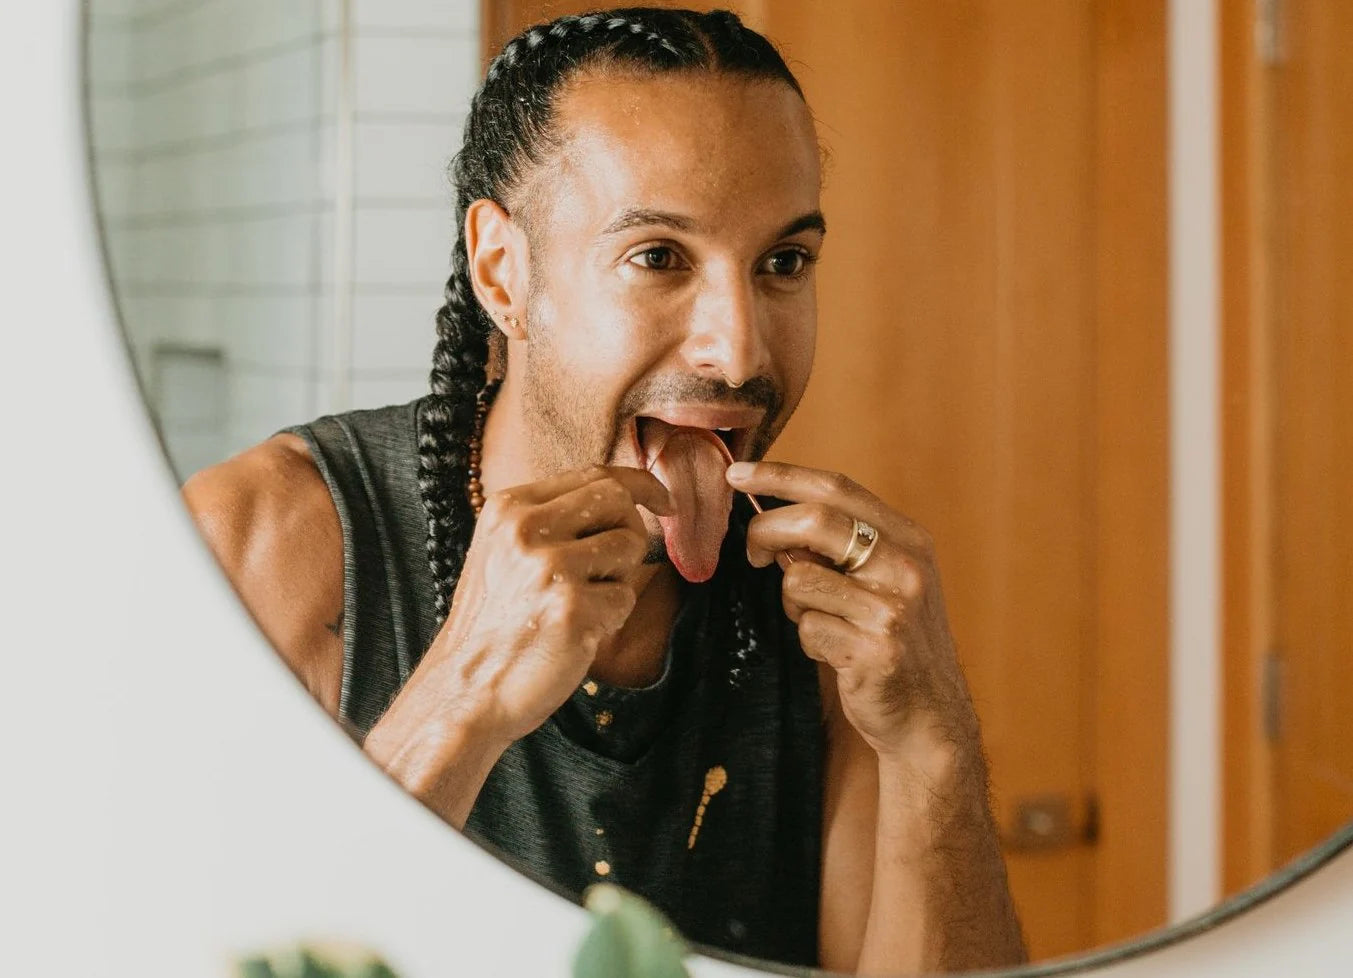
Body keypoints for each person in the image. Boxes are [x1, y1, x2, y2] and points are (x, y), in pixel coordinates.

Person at [183, 7, 1025, 973]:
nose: (739, 351)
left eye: (782, 263)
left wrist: (933, 747)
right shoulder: (270, 536)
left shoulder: (825, 616)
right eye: (657, 258)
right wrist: (463, 696)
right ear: (503, 271)